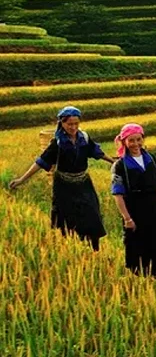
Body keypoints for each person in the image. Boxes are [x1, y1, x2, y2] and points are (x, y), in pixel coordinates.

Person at [8, 106, 114, 251]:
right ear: (62, 124)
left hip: (83, 183)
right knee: (67, 219)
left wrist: (113, 161)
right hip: (64, 186)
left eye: (76, 124)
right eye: (69, 124)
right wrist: (21, 179)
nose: (73, 127)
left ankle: (94, 250)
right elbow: (41, 162)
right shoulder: (57, 143)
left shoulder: (84, 138)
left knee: (92, 214)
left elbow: (97, 152)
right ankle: (70, 249)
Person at [110, 123, 156, 277]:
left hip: (154, 206)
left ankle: (155, 278)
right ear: (124, 142)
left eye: (138, 139)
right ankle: (140, 281)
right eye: (131, 140)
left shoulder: (150, 159)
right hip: (134, 208)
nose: (135, 144)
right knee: (138, 248)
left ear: (143, 139)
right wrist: (127, 218)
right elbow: (118, 195)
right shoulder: (120, 166)